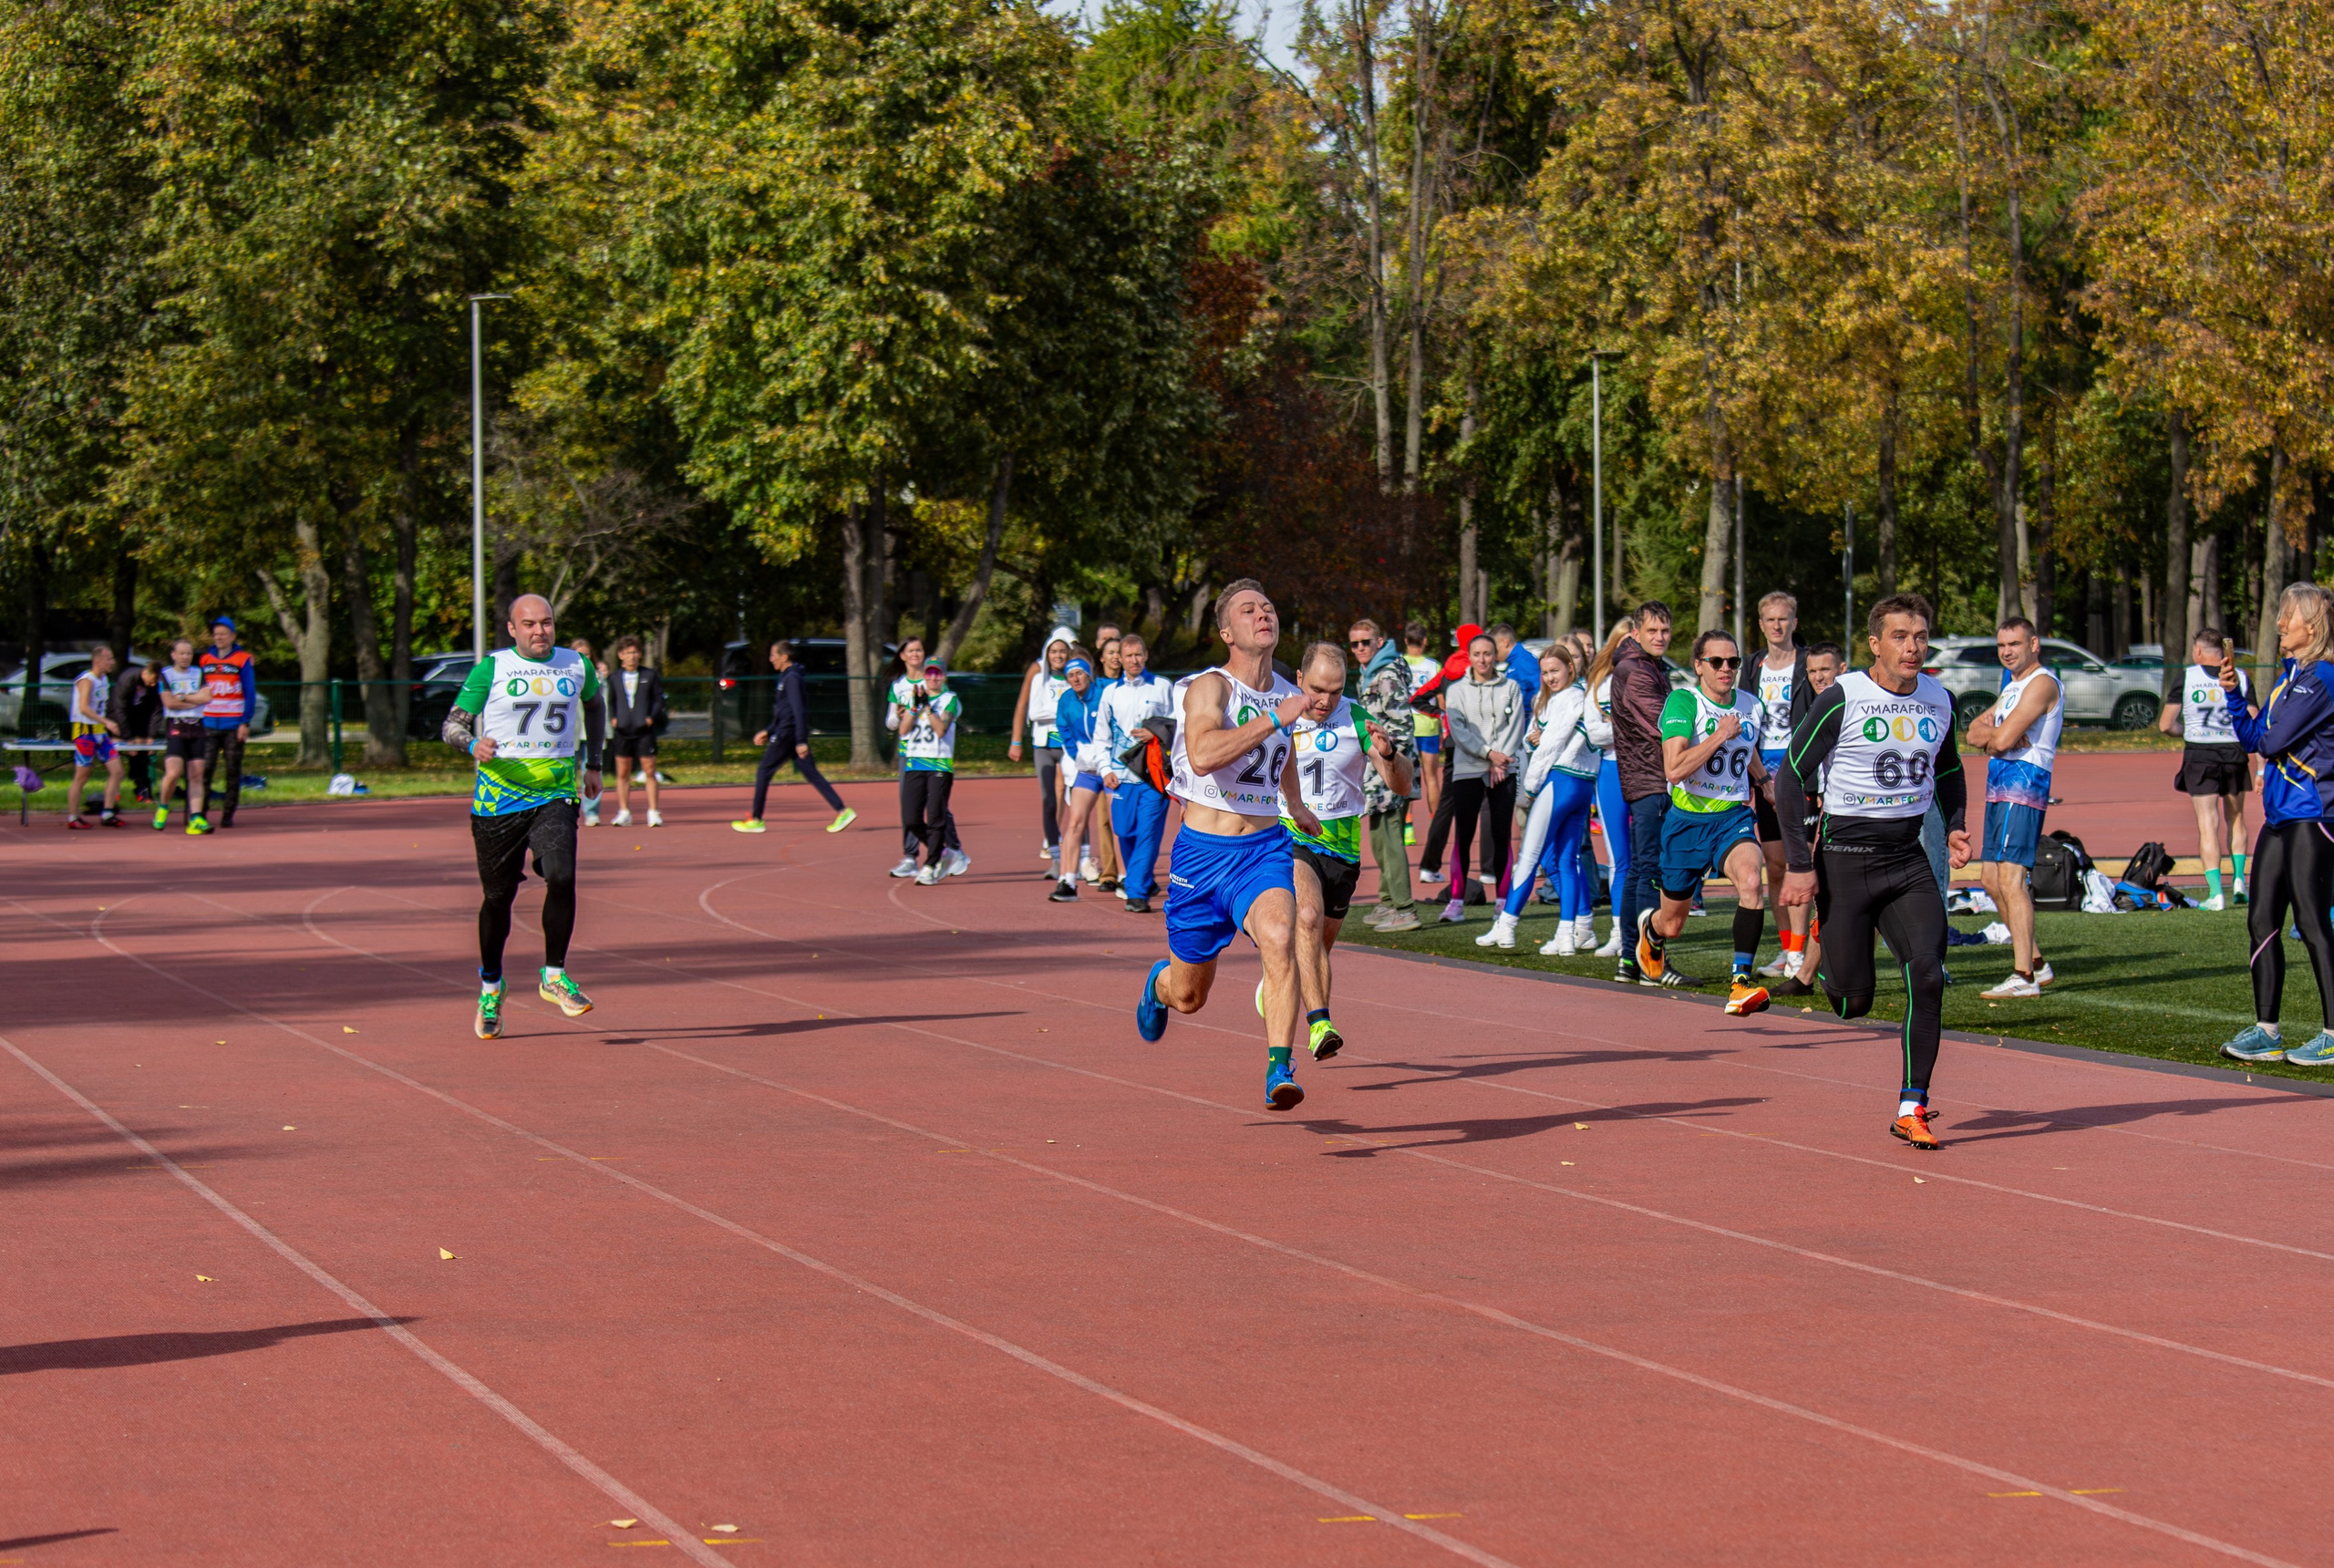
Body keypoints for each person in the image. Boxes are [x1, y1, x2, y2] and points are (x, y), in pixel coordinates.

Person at [1777, 593, 1968, 1147]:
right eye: (1900, 637)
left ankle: (1912, 1105)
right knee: (1851, 1003)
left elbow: (1949, 768)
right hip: (1844, 861)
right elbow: (1791, 776)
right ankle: (1830, 934)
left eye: (1921, 636)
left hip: (1907, 859)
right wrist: (1798, 865)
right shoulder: (1843, 696)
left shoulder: (1940, 699)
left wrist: (1955, 824)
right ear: (1875, 644)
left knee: (1927, 975)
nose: (1913, 647)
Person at [1135, 580, 1317, 1111]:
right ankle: (1159, 985)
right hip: (1202, 856)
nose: (1263, 614)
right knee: (1189, 997)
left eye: (1268, 607)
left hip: (1262, 850)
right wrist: (1275, 718)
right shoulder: (1210, 688)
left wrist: (1296, 804)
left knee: (1280, 935)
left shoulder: (1285, 691)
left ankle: (1279, 1067)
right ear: (1226, 633)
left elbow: (1281, 754)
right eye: (1248, 610)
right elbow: (1204, 754)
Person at [442, 594, 604, 1038]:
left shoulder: (576, 665)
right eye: (529, 624)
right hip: (498, 801)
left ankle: (554, 975)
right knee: (498, 899)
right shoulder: (492, 668)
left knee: (562, 875)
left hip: (555, 793)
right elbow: (452, 725)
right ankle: (491, 987)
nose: (540, 631)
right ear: (513, 629)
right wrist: (471, 744)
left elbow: (596, 706)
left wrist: (594, 764)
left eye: (546, 623)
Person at [1275, 641, 1412, 1057]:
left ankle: (1278, 978)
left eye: (1335, 691)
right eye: (1317, 689)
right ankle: (1321, 1026)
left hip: (1342, 850)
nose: (1325, 700)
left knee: (1316, 948)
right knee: (1306, 916)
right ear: (1300, 679)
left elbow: (1402, 784)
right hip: (1291, 836)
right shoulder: (1280, 716)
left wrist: (1389, 753)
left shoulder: (1356, 718)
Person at [2219, 585, 2334, 1064]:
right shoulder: (2291, 677)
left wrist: (2260, 727)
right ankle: (2268, 1031)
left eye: (2289, 616)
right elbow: (2253, 737)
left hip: (2314, 815)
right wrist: (2234, 694)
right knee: (2262, 919)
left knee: (2311, 922)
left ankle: (2333, 1033)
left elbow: (2271, 742)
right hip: (2281, 816)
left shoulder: (2321, 677)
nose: (2280, 624)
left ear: (2314, 625)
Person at [1634, 630, 1771, 1016]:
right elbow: (1674, 769)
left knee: (1751, 881)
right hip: (1686, 823)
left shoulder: (1751, 705)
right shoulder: (1684, 702)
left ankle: (1740, 984)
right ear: (1698, 666)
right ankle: (1651, 930)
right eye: (1717, 662)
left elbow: (1747, 749)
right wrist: (1719, 735)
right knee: (1673, 924)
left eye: (1733, 661)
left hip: (1732, 817)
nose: (1726, 669)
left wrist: (1765, 782)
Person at [1481, 644, 1599, 953]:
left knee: (1530, 857)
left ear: (1570, 668)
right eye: (1545, 672)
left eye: (1555, 671)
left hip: (1560, 781)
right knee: (1564, 860)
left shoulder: (1571, 697)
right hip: (1580, 784)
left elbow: (1550, 747)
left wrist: (1531, 787)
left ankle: (1506, 926)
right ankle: (1572, 932)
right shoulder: (1560, 698)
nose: (1549, 678)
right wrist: (1533, 742)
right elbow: (1536, 740)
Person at [1967, 616, 2062, 998]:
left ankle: (2024, 976)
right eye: (2002, 645)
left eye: (2015, 644)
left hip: (2023, 786)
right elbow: (1973, 732)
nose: (2007, 652)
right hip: (1999, 786)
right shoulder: (2011, 686)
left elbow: (2002, 741)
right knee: (1991, 880)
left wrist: (1996, 738)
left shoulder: (2041, 683)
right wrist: (1995, 737)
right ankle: (2037, 962)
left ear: (2034, 644)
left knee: (2010, 880)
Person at [1749, 593, 1815, 980]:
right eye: (1770, 620)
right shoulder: (1752, 666)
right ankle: (1787, 947)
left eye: (1784, 619)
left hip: (1799, 771)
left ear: (1794, 622)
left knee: (1799, 862)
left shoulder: (1807, 663)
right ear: (1761, 624)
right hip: (1764, 774)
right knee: (1774, 865)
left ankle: (1800, 953)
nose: (1777, 625)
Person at [1609, 602, 1677, 981]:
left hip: (1649, 778)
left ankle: (1631, 961)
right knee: (1650, 868)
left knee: (1641, 867)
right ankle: (1651, 962)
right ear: (1636, 633)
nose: (1660, 637)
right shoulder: (1635, 670)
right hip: (1650, 779)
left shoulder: (1647, 665)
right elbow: (1666, 724)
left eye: (1665, 630)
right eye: (1652, 631)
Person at [2163, 627, 2252, 911]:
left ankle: (2216, 893)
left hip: (2200, 754)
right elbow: (2253, 723)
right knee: (2236, 818)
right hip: (2234, 752)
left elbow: (2166, 725)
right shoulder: (2241, 677)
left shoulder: (2187, 677)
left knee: (2207, 823)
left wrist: (2189, 731)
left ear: (2199, 650)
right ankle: (2239, 880)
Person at [1439, 633, 1525, 921]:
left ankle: (1502, 901)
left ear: (1495, 656)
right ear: (1470, 656)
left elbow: (1516, 726)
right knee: (1463, 836)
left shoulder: (1511, 687)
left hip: (1503, 770)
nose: (1483, 659)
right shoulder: (1456, 690)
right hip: (1468, 770)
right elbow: (1459, 730)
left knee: (1501, 835)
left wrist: (1501, 759)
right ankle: (1456, 902)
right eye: (1477, 654)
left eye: (1488, 653)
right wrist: (1489, 754)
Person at [1774, 640, 1843, 995]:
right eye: (1813, 671)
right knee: (1826, 890)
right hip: (1828, 805)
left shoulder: (1851, 702)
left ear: (1842, 670)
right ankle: (1800, 963)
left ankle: (1809, 966)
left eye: (1825, 669)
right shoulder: (1812, 701)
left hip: (1852, 813)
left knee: (1842, 895)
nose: (1818, 676)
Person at [734, 640, 857, 835]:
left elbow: (799, 710)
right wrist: (768, 730)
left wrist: (801, 740)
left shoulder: (792, 678)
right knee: (811, 773)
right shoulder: (786, 677)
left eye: (773, 655)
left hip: (788, 734)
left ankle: (756, 819)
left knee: (764, 771)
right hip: (786, 732)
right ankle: (843, 811)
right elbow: (784, 711)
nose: (771, 659)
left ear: (784, 657)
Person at [1351, 619, 1422, 932]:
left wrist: (1389, 760)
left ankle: (1405, 909)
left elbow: (1402, 727)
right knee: (1380, 837)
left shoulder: (1386, 674)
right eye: (1354, 644)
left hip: (1391, 768)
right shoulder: (1371, 672)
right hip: (1379, 769)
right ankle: (1389, 901)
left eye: (1366, 642)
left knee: (1390, 837)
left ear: (1379, 642)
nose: (1360, 648)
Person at [1097, 634, 1174, 913]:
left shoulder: (1162, 687)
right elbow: (1101, 736)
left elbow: (1178, 723)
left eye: (1138, 654)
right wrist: (1105, 769)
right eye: (1128, 655)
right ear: (1119, 659)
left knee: (1147, 833)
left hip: (1154, 777)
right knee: (1124, 831)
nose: (1134, 660)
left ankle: (1136, 892)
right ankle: (1143, 880)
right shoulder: (1111, 693)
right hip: (1121, 776)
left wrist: (1156, 732)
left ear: (1146, 655)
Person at [884, 637, 966, 878]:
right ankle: (916, 855)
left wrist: (929, 708)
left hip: (937, 758)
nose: (915, 654)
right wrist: (903, 713)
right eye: (910, 650)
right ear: (902, 655)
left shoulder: (938, 689)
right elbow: (894, 725)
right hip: (911, 755)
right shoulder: (900, 687)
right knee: (910, 810)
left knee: (937, 810)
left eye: (919, 650)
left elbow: (947, 717)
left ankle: (947, 853)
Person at [1412, 623, 1483, 887]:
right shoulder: (1479, 668)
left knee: (1447, 805)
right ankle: (1490, 869)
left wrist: (1441, 714)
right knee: (1488, 805)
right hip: (1481, 740)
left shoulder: (1447, 670)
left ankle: (1429, 866)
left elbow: (1417, 698)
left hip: (1453, 741)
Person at [1581, 618, 1636, 957]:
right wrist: (1630, 725)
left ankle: (1648, 931)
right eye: (1624, 642)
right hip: (1612, 772)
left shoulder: (1652, 678)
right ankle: (1619, 932)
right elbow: (1595, 734)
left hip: (1648, 772)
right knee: (1619, 859)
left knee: (1650, 858)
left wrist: (1615, 723)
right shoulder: (1600, 685)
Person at [1009, 629, 1076, 873]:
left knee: (1076, 800)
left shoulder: (1076, 675)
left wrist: (1056, 711)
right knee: (1049, 801)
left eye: (1063, 651)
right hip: (1044, 745)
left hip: (1070, 747)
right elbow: (1032, 711)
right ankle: (1054, 855)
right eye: (1054, 651)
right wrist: (1016, 740)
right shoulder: (1038, 674)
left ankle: (1081, 858)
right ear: (1047, 652)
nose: (1058, 655)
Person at [1047, 651, 1107, 903]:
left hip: (1111, 767)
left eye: (1079, 673)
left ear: (1089, 674)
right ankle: (1068, 881)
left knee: (1118, 825)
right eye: (1070, 675)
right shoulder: (1066, 700)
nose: (1075, 678)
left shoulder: (1105, 692)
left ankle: (1128, 879)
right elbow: (1063, 729)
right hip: (1087, 770)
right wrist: (1077, 754)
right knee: (1074, 823)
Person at [197, 616, 256, 828]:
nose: (219, 637)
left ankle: (228, 814)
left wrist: (245, 722)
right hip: (208, 724)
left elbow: (250, 692)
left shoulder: (243, 659)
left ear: (232, 636)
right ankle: (200, 812)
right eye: (216, 634)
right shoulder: (205, 659)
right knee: (204, 769)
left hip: (233, 725)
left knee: (232, 770)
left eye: (223, 634)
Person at [604, 634, 666, 827]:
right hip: (623, 731)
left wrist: (650, 717)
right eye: (628, 653)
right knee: (622, 773)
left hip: (644, 732)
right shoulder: (614, 677)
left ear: (640, 654)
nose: (632, 656)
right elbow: (610, 701)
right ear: (620, 655)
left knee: (650, 771)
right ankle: (624, 812)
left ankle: (653, 812)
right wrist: (614, 719)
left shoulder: (650, 675)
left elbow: (659, 699)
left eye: (635, 652)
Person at [152, 639, 212, 833]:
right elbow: (169, 703)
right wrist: (195, 701)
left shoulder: (199, 673)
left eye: (189, 653)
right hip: (176, 727)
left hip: (197, 727)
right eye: (182, 653)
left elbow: (207, 697)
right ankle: (163, 807)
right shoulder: (166, 675)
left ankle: (196, 817)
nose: (185, 657)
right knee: (173, 773)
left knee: (197, 774)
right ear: (174, 655)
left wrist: (185, 697)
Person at [65, 645, 124, 829]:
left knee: (117, 771)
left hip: (99, 732)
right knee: (82, 775)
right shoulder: (87, 680)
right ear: (98, 661)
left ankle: (108, 812)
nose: (112, 662)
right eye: (109, 659)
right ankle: (73, 817)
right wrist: (107, 722)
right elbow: (84, 708)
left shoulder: (104, 679)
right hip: (85, 732)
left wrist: (106, 724)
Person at [1402, 623, 1442, 837]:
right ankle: (1435, 825)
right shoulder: (1434, 666)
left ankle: (1407, 827)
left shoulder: (1398, 664)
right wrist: (1444, 729)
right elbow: (1441, 700)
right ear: (1425, 641)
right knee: (1431, 777)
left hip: (1406, 726)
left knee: (1407, 777)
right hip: (1429, 725)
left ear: (1406, 641)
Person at [110, 655, 162, 805]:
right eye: (151, 681)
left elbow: (156, 709)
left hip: (139, 718)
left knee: (142, 755)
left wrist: (151, 735)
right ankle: (114, 792)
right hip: (117, 717)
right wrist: (128, 739)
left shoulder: (154, 686)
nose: (153, 685)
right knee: (116, 753)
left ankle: (143, 790)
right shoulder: (128, 680)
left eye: (155, 682)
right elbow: (120, 709)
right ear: (145, 673)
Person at [569, 640, 608, 826]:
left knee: (592, 770)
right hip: (571, 734)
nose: (584, 658)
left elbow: (603, 705)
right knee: (569, 773)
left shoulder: (598, 677)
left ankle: (591, 811)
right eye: (579, 654)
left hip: (590, 733)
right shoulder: (565, 676)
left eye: (587, 654)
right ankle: (568, 808)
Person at [1490, 623, 1541, 711]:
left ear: (1504, 642)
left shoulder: (1523, 661)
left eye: (1495, 650)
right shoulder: (1515, 662)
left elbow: (1538, 690)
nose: (1494, 654)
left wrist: (1522, 710)